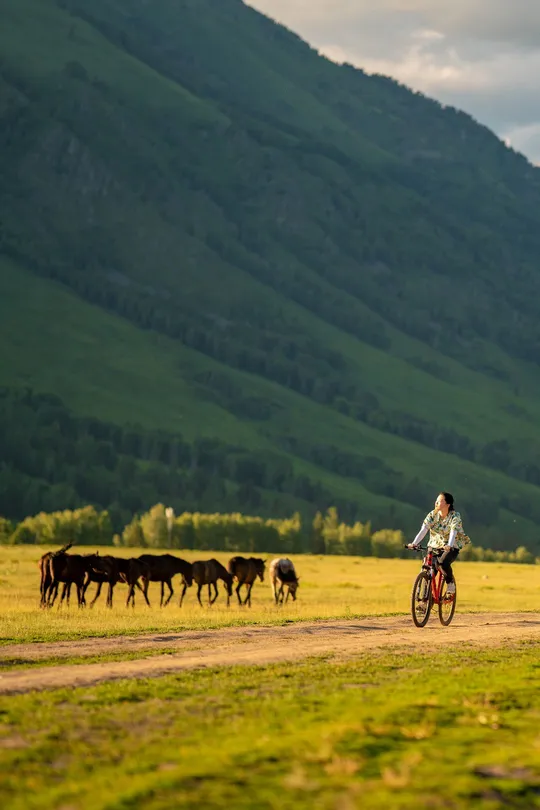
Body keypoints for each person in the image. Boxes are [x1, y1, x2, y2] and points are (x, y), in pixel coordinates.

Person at [407, 492, 468, 595]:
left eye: (440, 501)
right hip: (434, 546)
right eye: (436, 500)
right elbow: (423, 530)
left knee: (442, 563)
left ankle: (450, 584)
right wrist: (414, 543)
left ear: (448, 505)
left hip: (451, 546)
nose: (436, 502)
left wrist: (449, 545)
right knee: (428, 571)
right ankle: (425, 602)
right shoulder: (432, 515)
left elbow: (453, 531)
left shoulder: (454, 516)